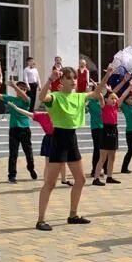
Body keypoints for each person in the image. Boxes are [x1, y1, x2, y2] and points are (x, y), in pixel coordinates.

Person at [35, 65, 112, 230]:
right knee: (50, 183)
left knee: (81, 179)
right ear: (61, 80)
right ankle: (40, 220)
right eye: (69, 78)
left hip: (72, 139)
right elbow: (42, 97)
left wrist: (108, 75)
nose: (73, 81)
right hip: (58, 140)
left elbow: (97, 92)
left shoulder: (79, 97)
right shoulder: (56, 97)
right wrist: (50, 79)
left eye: (75, 78)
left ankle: (73, 215)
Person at [93, 77, 132, 186]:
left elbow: (122, 96)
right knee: (103, 157)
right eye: (111, 98)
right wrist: (102, 87)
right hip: (106, 130)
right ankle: (96, 178)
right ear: (107, 100)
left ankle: (109, 177)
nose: (114, 100)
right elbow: (100, 94)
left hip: (114, 130)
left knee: (112, 156)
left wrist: (130, 86)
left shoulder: (116, 107)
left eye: (114, 99)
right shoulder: (104, 106)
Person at [0, 82, 38, 183]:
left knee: (28, 152)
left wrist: (14, 86)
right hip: (13, 129)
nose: (21, 90)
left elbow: (25, 96)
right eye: (19, 88)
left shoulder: (27, 101)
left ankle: (31, 168)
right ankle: (12, 175)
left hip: (25, 130)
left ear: (26, 90)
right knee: (13, 154)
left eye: (23, 89)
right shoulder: (11, 99)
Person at [87, 89, 103, 180]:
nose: (99, 94)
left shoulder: (102, 101)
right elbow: (101, 112)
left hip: (103, 127)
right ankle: (94, 170)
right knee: (97, 149)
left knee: (103, 150)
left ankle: (101, 168)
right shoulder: (91, 102)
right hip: (96, 128)